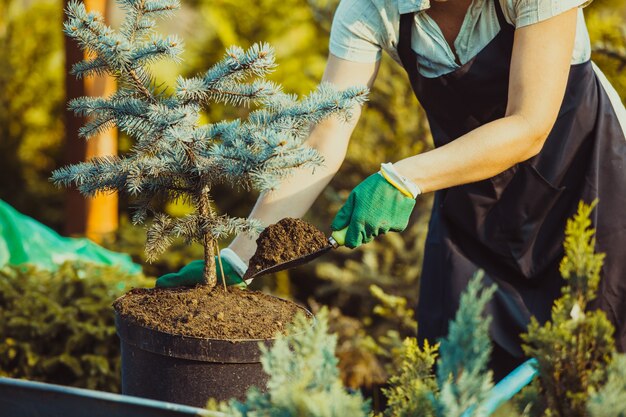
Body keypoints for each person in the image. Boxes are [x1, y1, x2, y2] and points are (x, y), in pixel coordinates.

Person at [157, 0, 626, 378]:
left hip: (587, 185)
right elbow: (323, 138)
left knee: (594, 365)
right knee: (455, 363)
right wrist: (242, 255)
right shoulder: (369, 10)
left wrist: (403, 179)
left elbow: (528, 125)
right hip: (475, 199)